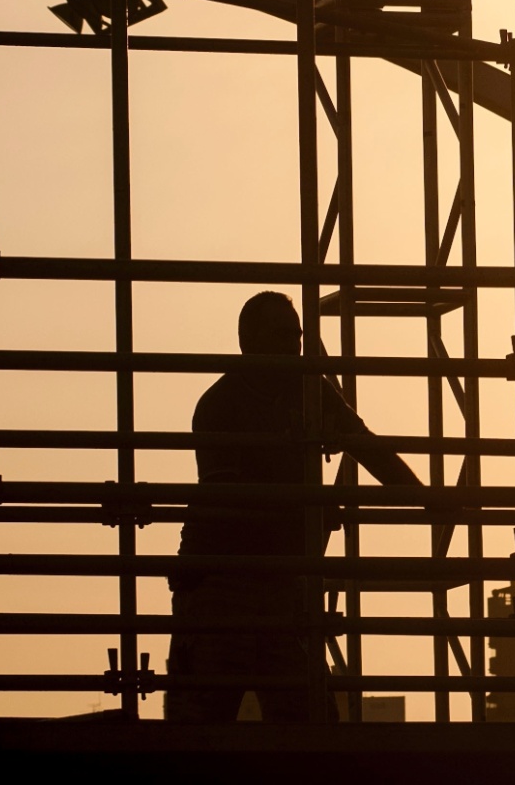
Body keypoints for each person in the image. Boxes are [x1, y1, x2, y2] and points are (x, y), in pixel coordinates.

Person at [165, 291, 429, 723]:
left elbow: (364, 444)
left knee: (300, 725)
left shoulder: (306, 390)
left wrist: (422, 498)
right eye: (281, 335)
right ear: (248, 341)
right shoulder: (222, 404)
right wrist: (311, 510)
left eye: (297, 336)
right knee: (205, 732)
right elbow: (234, 507)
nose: (293, 345)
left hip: (277, 584)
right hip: (220, 586)